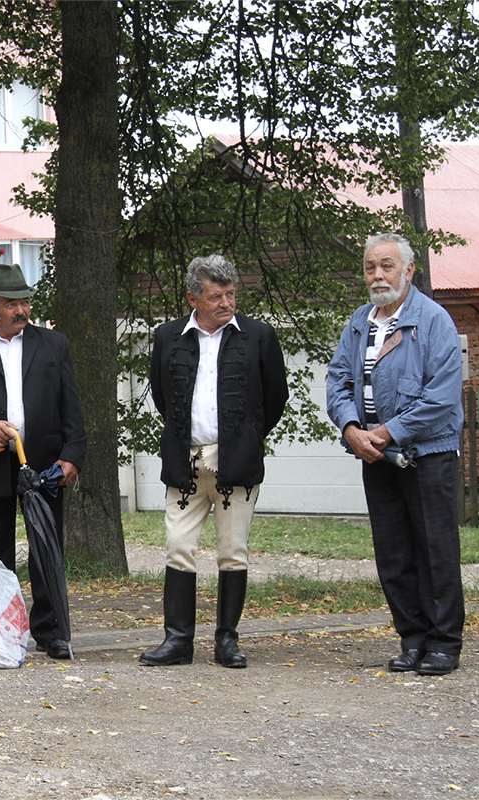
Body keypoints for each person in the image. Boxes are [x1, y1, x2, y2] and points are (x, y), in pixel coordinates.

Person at [326, 233, 465, 676]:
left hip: (427, 453)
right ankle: (413, 639)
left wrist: (387, 431)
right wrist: (351, 429)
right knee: (393, 553)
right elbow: (337, 381)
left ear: (408, 270)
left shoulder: (434, 320)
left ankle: (444, 644)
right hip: (377, 457)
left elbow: (441, 395)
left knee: (435, 550)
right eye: (370, 267)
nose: (377, 275)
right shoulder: (359, 322)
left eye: (387, 266)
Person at [143, 255, 288, 669]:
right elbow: (162, 396)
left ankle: (227, 640)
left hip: (235, 464)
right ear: (193, 297)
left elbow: (275, 399)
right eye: (215, 296)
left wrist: (245, 440)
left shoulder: (258, 336)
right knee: (179, 548)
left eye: (230, 294)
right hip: (185, 463)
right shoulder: (168, 337)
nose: (226, 303)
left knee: (232, 551)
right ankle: (177, 641)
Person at [0, 263, 87, 660]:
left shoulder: (53, 345)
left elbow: (71, 405)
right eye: (11, 304)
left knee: (45, 546)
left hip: (44, 463)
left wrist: (72, 454)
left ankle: (50, 630)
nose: (21, 310)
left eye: (24, 301)